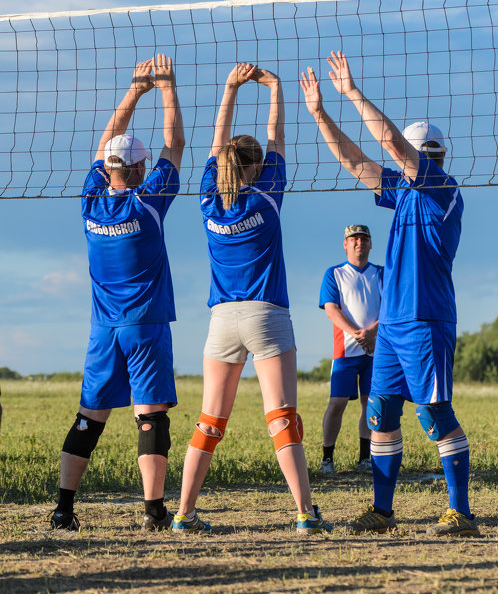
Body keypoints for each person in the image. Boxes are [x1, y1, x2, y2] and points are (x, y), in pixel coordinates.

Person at [300, 51, 479, 537]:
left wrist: (353, 93)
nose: (401, 165)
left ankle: (460, 512)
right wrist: (320, 114)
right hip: (396, 323)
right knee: (380, 412)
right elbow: (357, 161)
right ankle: (382, 511)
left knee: (434, 412)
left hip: (427, 318)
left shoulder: (442, 186)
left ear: (428, 157)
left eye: (411, 159)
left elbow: (394, 147)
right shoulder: (403, 191)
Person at [173, 62, 332, 536]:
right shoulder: (266, 194)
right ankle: (305, 513)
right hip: (266, 314)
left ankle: (184, 513)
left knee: (209, 421)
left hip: (222, 319)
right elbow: (278, 136)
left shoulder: (208, 198)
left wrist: (228, 88)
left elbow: (217, 141)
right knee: (282, 419)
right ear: (255, 166)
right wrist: (275, 88)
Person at [50, 53, 185, 532]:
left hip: (104, 328)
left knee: (90, 418)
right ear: (139, 167)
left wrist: (133, 90)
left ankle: (64, 509)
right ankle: (153, 512)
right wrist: (166, 86)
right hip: (144, 326)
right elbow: (176, 144)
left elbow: (106, 144)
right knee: (149, 418)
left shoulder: (90, 201)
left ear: (109, 169)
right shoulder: (148, 205)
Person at [319, 224, 382, 476]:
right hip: (345, 351)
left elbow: (390, 307)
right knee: (337, 403)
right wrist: (357, 333)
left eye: (364, 239)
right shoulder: (334, 273)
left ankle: (365, 458)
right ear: (345, 244)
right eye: (354, 239)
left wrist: (372, 333)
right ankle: (327, 458)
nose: (359, 243)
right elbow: (331, 309)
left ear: (370, 243)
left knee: (371, 404)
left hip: (376, 351)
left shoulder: (381, 273)